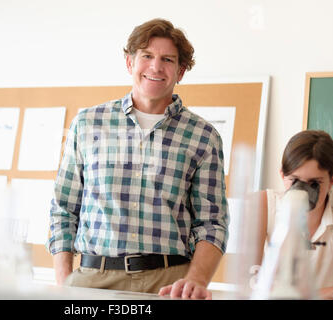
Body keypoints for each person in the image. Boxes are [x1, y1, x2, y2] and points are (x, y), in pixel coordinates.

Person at [47, 18, 229, 299]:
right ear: (130, 63)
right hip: (92, 281)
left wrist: (195, 281)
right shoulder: (86, 124)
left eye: (167, 59)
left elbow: (212, 223)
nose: (156, 67)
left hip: (169, 284)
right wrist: (64, 283)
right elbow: (63, 209)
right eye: (147, 56)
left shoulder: (204, 136)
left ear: (180, 71)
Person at [257, 130, 333, 299]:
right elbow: (251, 277)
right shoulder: (264, 204)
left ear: (331, 181)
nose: (303, 192)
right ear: (282, 175)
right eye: (295, 181)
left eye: (314, 183)